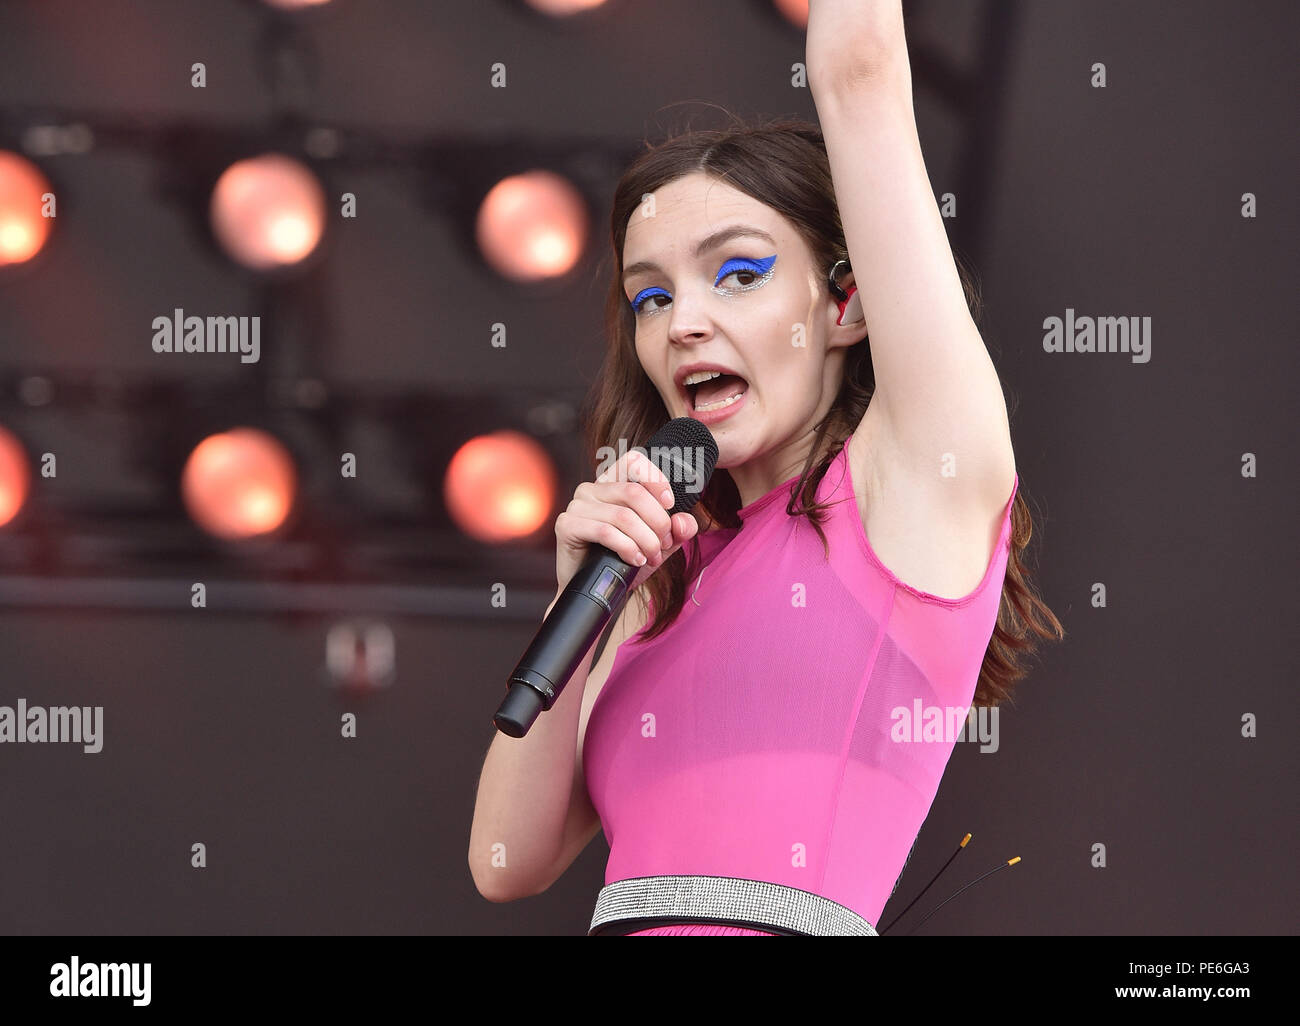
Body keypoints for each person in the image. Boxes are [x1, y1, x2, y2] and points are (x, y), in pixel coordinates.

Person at [469, 0, 1063, 935]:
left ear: (846, 308)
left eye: (738, 274)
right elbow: (505, 861)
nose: (683, 324)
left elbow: (861, 71)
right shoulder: (654, 573)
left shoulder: (904, 483)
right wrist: (570, 599)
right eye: (650, 297)